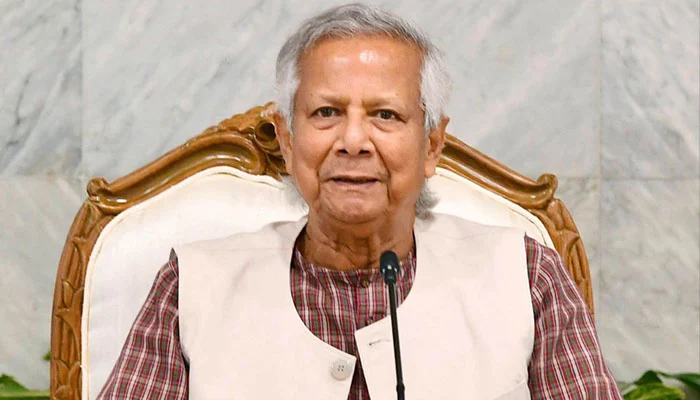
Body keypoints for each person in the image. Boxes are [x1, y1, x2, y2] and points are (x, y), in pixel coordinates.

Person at [98, 3, 622, 399]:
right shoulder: (190, 285)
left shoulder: (526, 275)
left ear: (432, 144)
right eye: (326, 112)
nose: (353, 141)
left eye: (385, 115)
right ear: (286, 139)